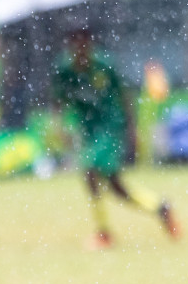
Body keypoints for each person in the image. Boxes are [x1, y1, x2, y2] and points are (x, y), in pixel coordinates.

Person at [52, 24, 179, 247]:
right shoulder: (64, 70)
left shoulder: (104, 65)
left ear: (90, 44)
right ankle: (160, 207)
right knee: (116, 187)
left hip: (110, 127)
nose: (81, 49)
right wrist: (60, 127)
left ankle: (104, 233)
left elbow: (124, 95)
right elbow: (59, 101)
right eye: (76, 43)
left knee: (90, 171)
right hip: (88, 129)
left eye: (84, 43)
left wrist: (132, 129)